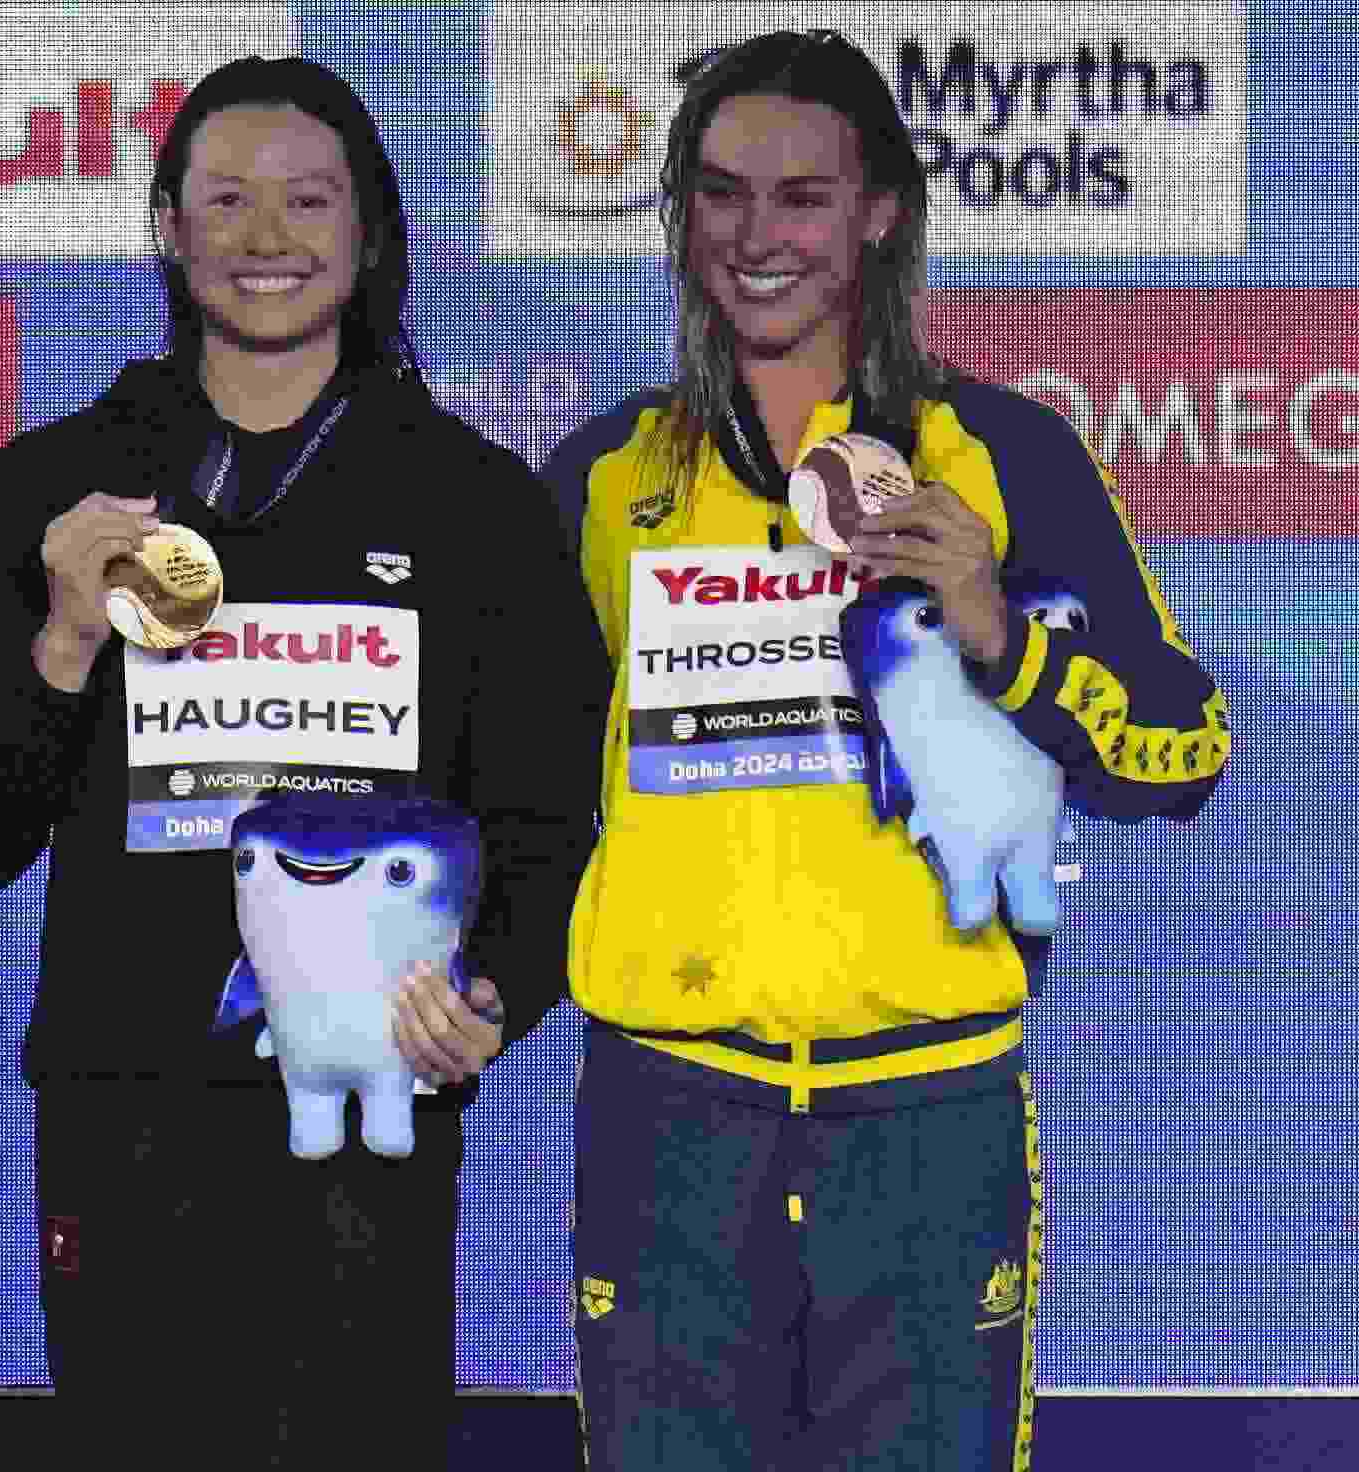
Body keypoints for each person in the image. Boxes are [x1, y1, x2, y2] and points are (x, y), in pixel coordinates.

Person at [541, 30, 1231, 1471]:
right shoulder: (607, 478)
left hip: (928, 1114)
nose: (757, 236)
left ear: (878, 213)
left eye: (802, 197)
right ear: (679, 214)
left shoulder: (1005, 455)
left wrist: (1001, 634)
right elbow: (520, 781)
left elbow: (1184, 749)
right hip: (670, 1117)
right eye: (721, 193)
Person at [0, 54, 610, 1469]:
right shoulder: (54, 486)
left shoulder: (474, 502)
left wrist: (494, 990)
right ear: (166, 226)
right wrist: (62, 638)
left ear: (368, 232)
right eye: (226, 200)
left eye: (308, 201)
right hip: (121, 1120)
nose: (266, 239)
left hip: (366, 1116)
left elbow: (551, 816)